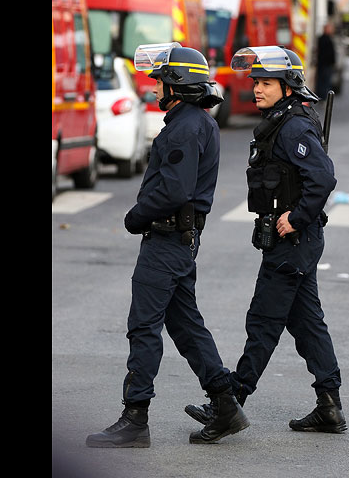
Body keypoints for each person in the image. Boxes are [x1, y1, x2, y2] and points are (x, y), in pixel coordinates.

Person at [86, 43, 249, 448]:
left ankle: (135, 417)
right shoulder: (195, 122)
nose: (155, 88)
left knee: (143, 327)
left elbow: (173, 190)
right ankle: (225, 405)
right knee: (186, 326)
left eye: (160, 81)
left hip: (166, 240)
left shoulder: (186, 125)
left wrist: (136, 215)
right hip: (180, 240)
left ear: (176, 85)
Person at [185, 46, 347, 434]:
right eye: (255, 82)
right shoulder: (281, 120)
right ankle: (330, 404)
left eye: (266, 83)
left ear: (287, 86)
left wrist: (297, 216)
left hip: (293, 240)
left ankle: (231, 404)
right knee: (307, 323)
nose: (257, 89)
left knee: (263, 321)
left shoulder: (293, 126)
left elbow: (323, 178)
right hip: (293, 241)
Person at [315, 23, 336, 100]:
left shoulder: (327, 38)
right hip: (325, 65)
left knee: (324, 82)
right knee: (324, 82)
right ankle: (322, 97)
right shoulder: (324, 39)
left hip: (326, 64)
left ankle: (323, 97)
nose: (332, 30)